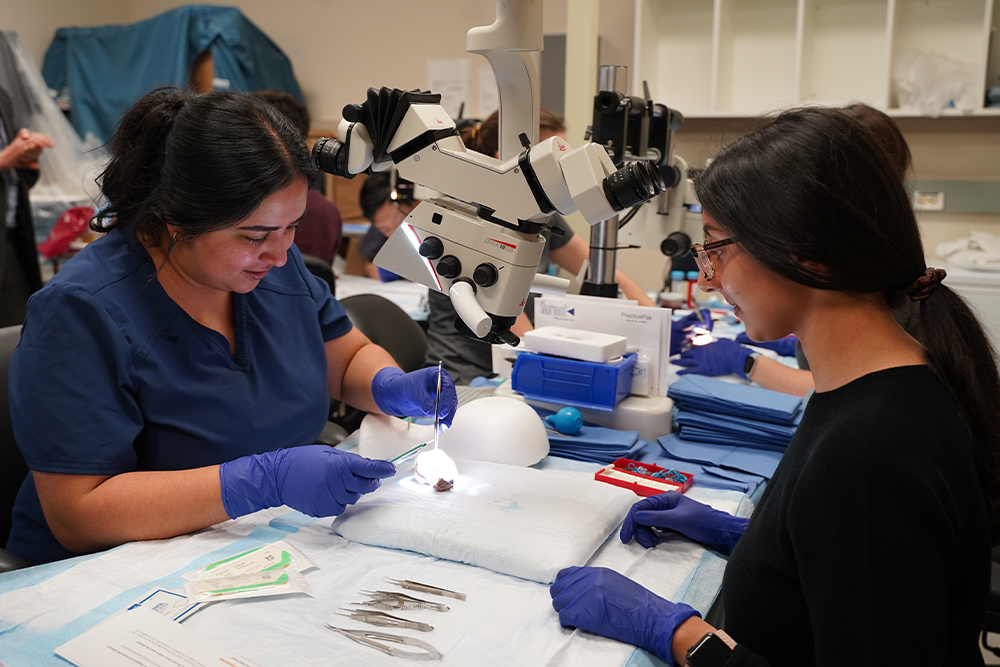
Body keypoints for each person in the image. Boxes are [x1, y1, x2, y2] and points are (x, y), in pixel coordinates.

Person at [550, 106, 998, 665]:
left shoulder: (869, 451)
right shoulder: (882, 383)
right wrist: (750, 539)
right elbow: (857, 574)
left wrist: (683, 636)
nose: (709, 278)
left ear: (803, 250)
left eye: (715, 246)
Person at [6, 88, 457, 566]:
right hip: (102, 574)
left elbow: (343, 359)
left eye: (293, 228)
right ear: (177, 221)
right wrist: (261, 480)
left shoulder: (274, 269)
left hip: (247, 545)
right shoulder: (82, 312)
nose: (281, 254)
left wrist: (389, 386)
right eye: (254, 235)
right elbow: (79, 514)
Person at [673, 103, 914, 397]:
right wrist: (795, 338)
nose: (705, 281)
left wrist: (745, 362)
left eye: (719, 250)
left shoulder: (879, 416)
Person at [425, 108, 656, 384]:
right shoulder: (467, 217)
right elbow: (516, 327)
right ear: (506, 159)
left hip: (515, 362)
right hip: (468, 376)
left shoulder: (538, 214)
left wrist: (655, 324)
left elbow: (596, 271)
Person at [250, 89, 343, 266]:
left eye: (292, 227)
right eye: (257, 236)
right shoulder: (329, 211)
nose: (280, 259)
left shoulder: (247, 205)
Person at [0, 85, 55, 327]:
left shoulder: (3, 96)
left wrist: (26, 156)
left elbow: (14, 178)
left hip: (11, 243)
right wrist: (4, 159)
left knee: (18, 336)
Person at [357, 170, 415, 282]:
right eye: (385, 229)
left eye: (398, 221)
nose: (394, 233)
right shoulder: (381, 222)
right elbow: (370, 265)